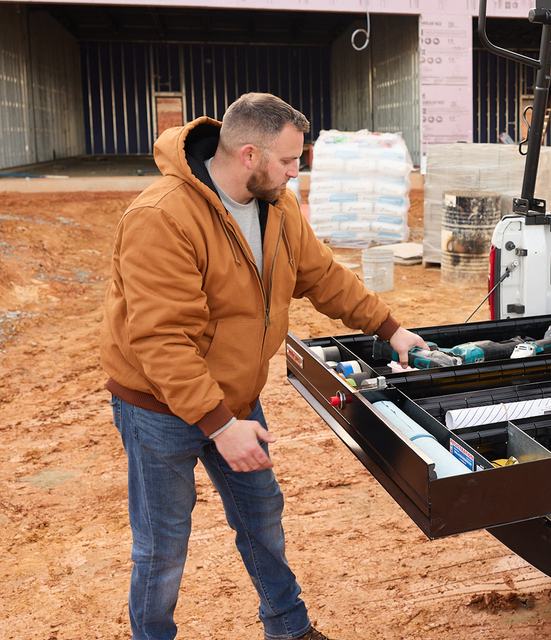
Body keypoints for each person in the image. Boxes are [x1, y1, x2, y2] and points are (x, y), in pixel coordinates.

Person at [100, 92, 426, 640]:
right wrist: (219, 426)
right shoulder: (162, 217)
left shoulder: (277, 208)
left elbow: (323, 277)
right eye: (289, 161)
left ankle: (288, 627)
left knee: (262, 520)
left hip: (236, 401)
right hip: (159, 409)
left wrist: (390, 328)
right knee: (162, 544)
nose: (296, 173)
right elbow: (161, 340)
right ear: (249, 155)